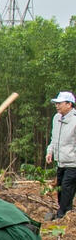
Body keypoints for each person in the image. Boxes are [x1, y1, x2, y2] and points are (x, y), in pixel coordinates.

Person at [46, 91, 76, 220]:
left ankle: (62, 215)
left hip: (73, 163)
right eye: (56, 103)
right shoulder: (56, 118)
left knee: (67, 188)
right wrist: (50, 151)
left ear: (69, 104)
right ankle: (64, 212)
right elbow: (54, 138)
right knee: (60, 188)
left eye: (60, 103)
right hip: (61, 161)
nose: (57, 106)